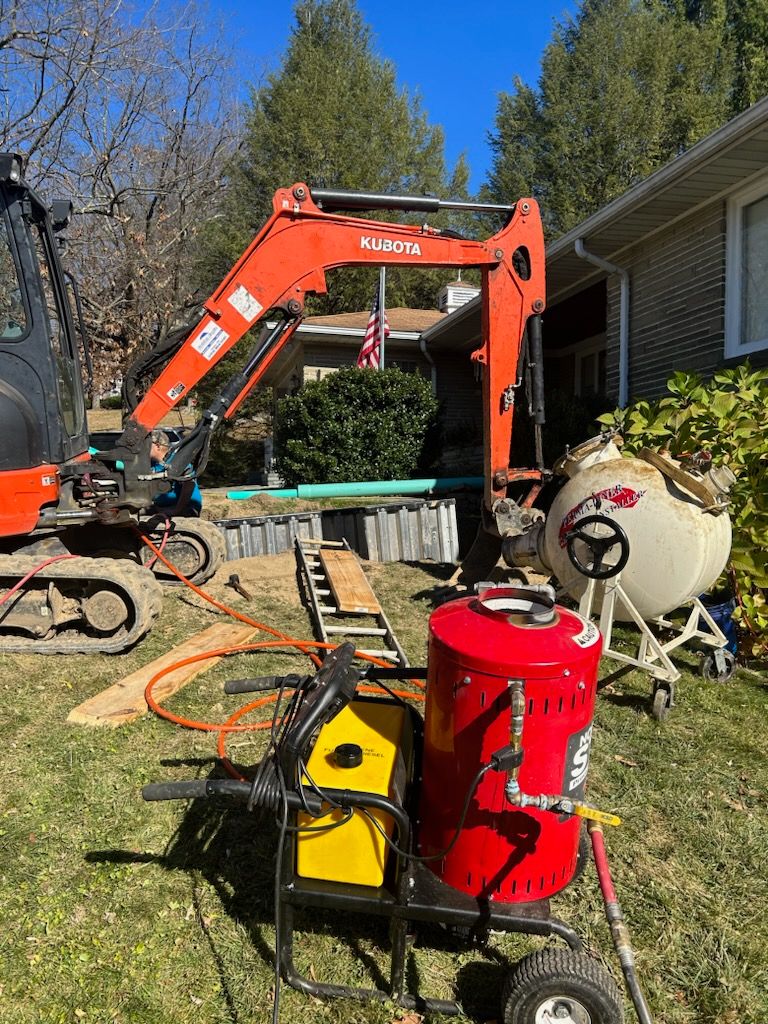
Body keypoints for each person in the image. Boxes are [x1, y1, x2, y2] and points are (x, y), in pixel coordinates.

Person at [150, 429, 202, 517]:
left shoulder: (177, 462)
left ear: (158, 446)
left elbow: (189, 484)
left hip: (185, 508)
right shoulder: (151, 464)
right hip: (160, 507)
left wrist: (176, 510)